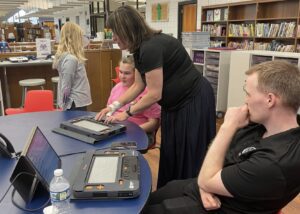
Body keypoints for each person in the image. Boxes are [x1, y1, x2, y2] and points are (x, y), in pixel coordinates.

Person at [143, 60, 300, 214]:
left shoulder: (275, 163)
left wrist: (227, 126)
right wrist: (206, 185)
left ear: (270, 100)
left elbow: (209, 175)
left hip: (219, 206)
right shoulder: (260, 125)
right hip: (208, 189)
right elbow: (217, 155)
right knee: (159, 194)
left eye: (248, 94)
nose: (245, 100)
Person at [95, 5, 216, 188]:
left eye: (116, 33)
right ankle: (173, 191)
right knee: (173, 152)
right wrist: (113, 106)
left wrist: (126, 113)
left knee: (189, 152)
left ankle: (191, 193)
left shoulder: (151, 47)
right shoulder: (139, 49)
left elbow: (153, 94)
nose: (114, 38)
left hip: (192, 101)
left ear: (127, 30)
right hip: (175, 105)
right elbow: (138, 85)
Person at [108, 54, 161, 147]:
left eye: (127, 73)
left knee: (114, 147)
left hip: (140, 132)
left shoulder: (147, 93)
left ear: (137, 74)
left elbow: (154, 124)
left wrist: (131, 131)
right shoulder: (116, 88)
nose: (122, 76)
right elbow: (109, 111)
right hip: (116, 130)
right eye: (120, 72)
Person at [52, 22, 92, 111]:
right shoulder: (71, 59)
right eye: (80, 36)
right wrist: (64, 106)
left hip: (77, 101)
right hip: (74, 103)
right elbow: (66, 87)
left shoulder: (72, 57)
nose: (82, 39)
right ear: (75, 38)